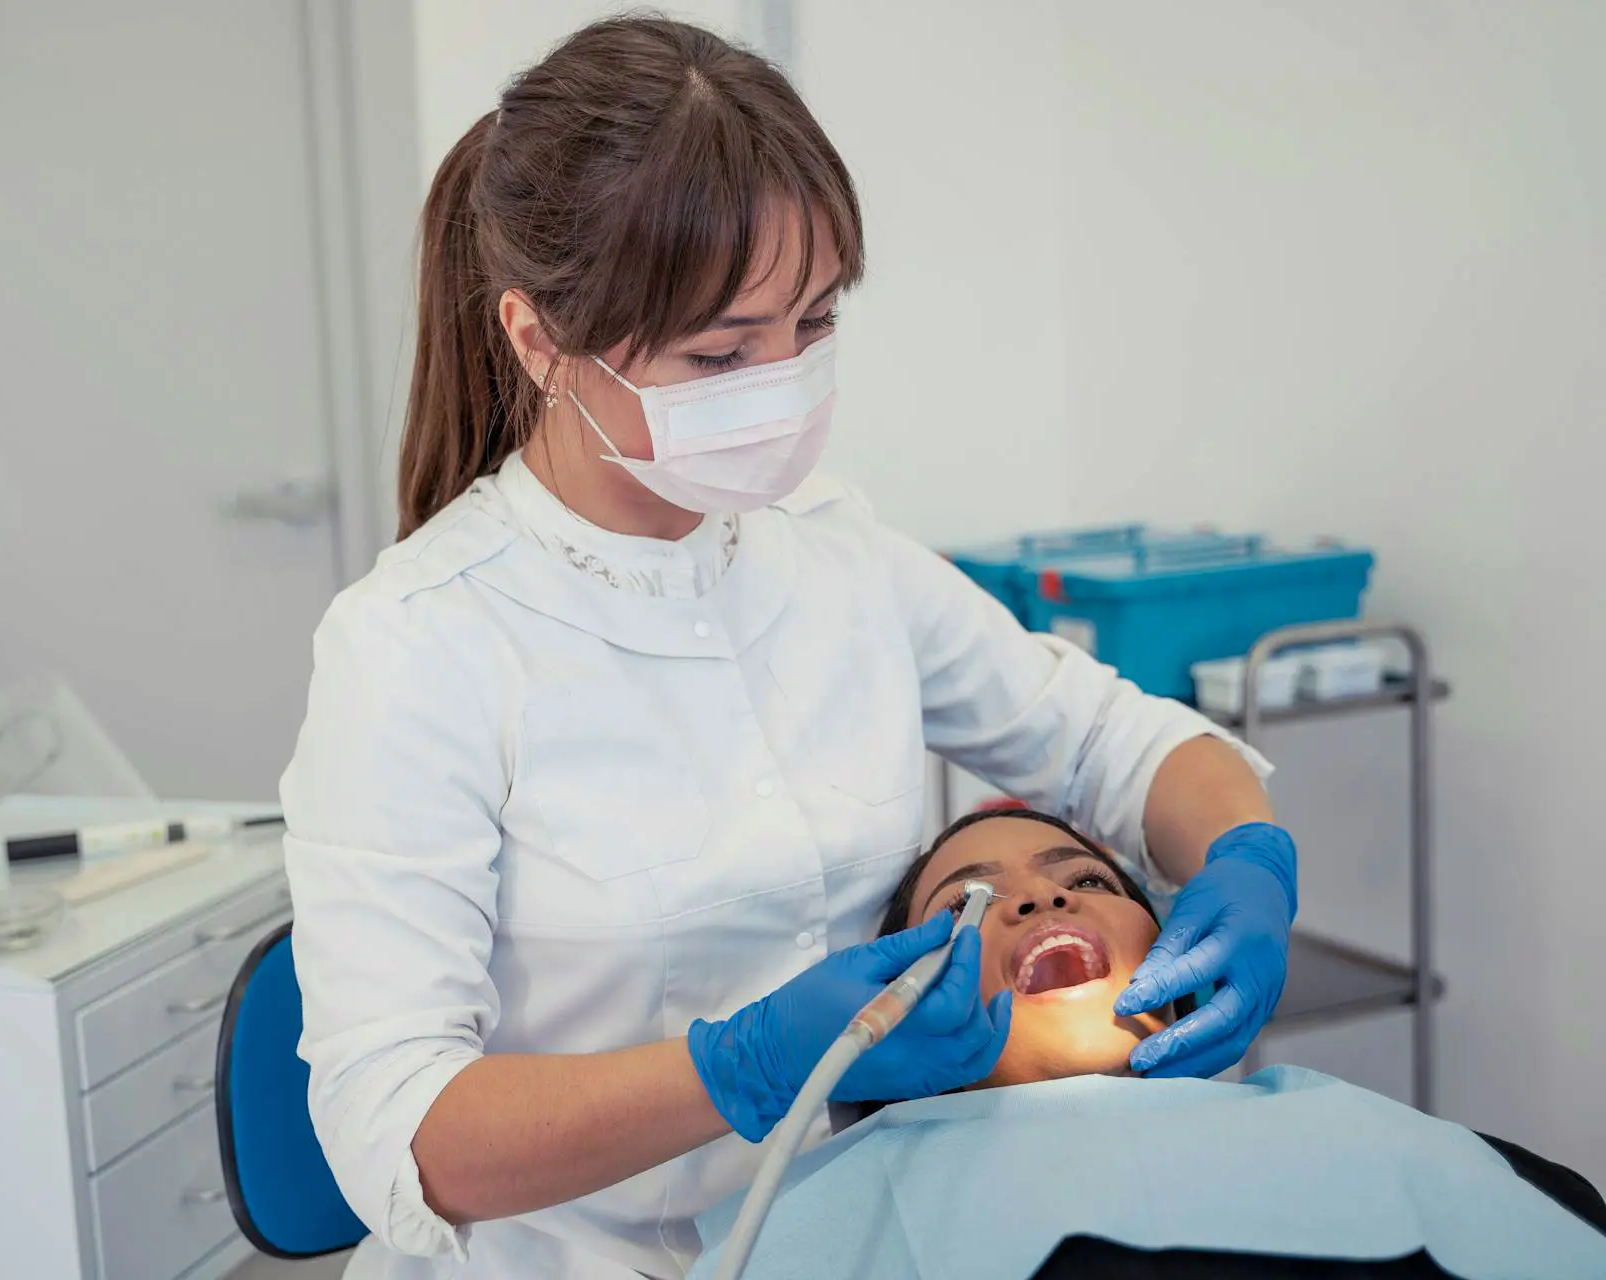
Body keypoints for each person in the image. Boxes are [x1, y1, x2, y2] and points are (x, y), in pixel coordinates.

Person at [280, 16, 1296, 1279]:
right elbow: (406, 1136)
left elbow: (1112, 739)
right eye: (720, 353)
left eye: (812, 326)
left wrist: (1248, 860)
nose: (780, 382)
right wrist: (743, 1065)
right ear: (542, 340)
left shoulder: (833, 552)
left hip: (853, 1236)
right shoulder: (419, 647)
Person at [686, 809, 1606, 1279]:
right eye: (969, 903)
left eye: (1084, 877)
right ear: (900, 1004)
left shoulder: (1433, 1152)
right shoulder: (816, 1227)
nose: (1042, 901)